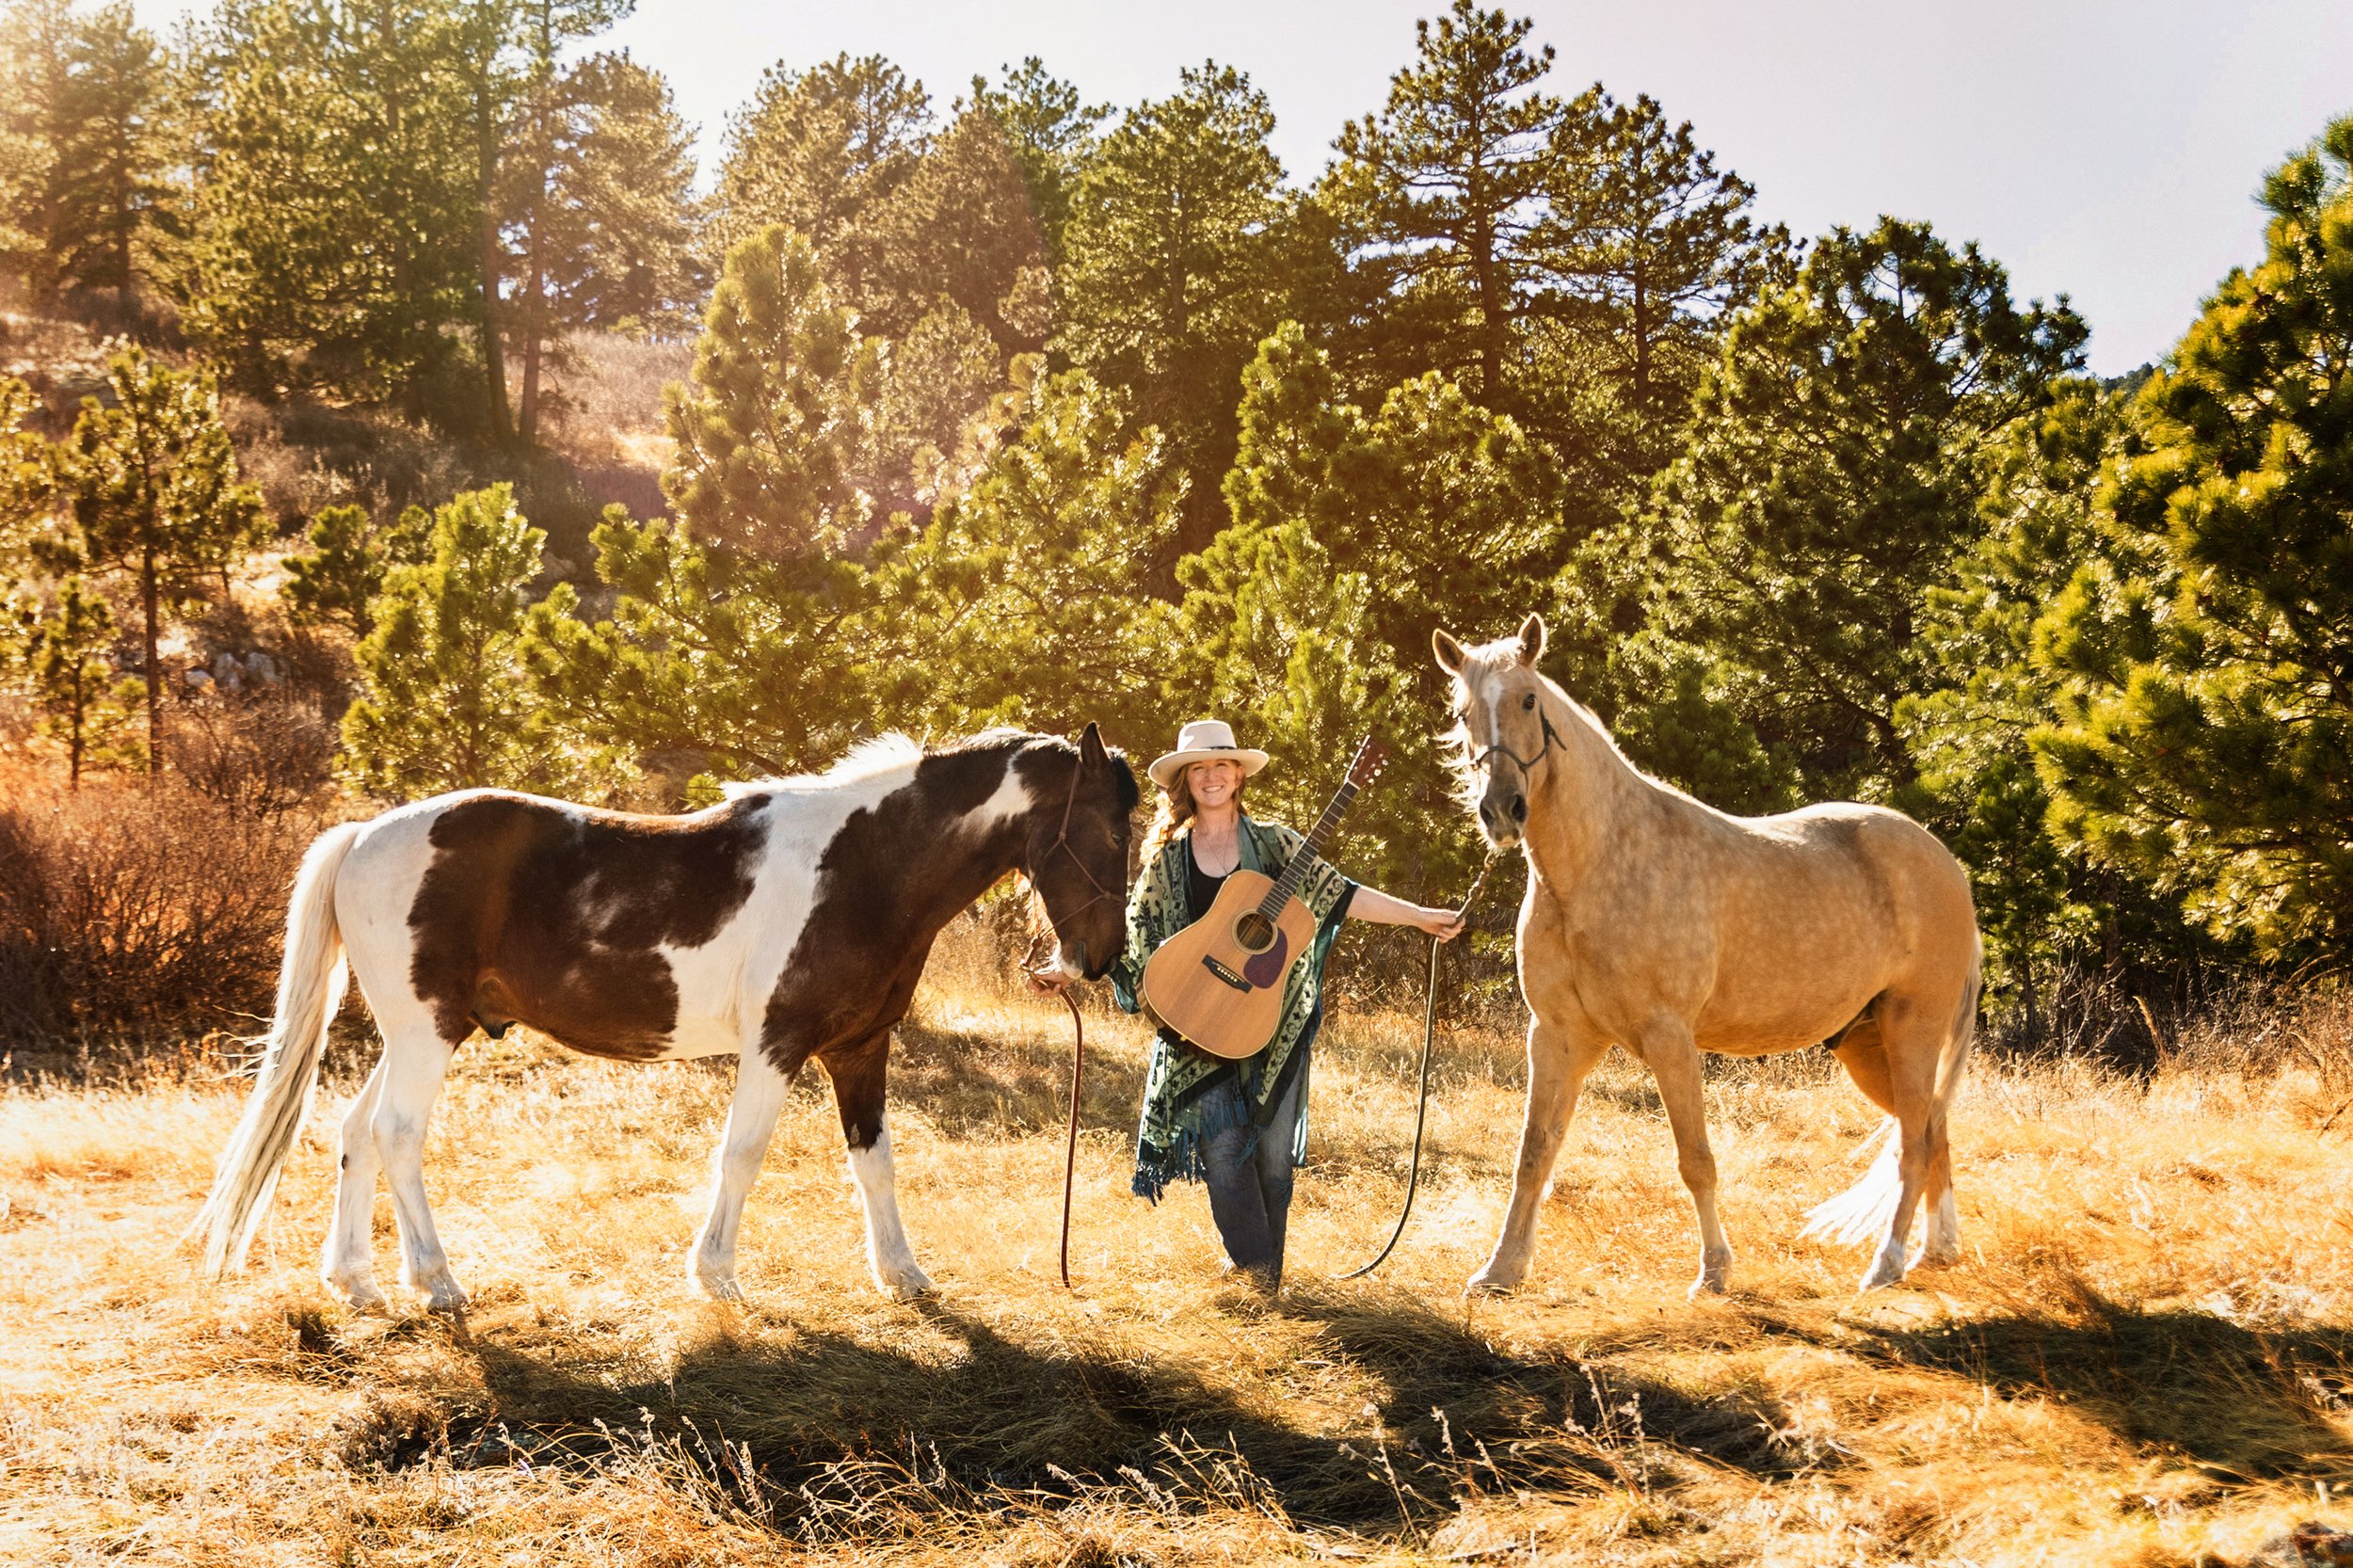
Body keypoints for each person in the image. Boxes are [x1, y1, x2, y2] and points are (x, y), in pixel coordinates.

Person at [1048, 719, 1463, 1293]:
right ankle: (1256, 1275)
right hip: (1194, 1026)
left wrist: (1419, 916)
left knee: (1271, 1159)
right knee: (1222, 1153)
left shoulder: (1275, 845)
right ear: (1185, 781)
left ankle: (1266, 1274)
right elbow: (1133, 934)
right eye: (1198, 768)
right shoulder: (1167, 861)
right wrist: (1070, 965)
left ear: (1239, 774)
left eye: (1221, 765)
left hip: (1270, 1023)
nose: (1211, 776)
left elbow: (1340, 894)